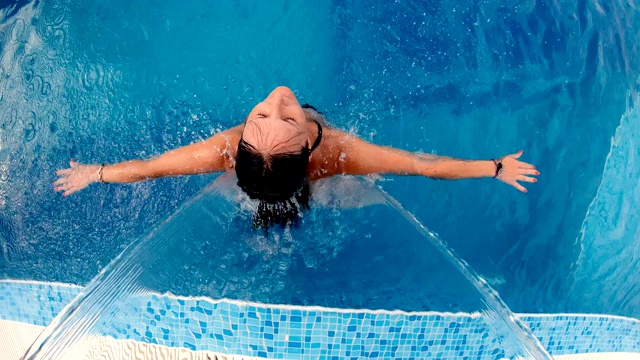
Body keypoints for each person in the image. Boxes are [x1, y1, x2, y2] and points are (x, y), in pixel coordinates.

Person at [54, 86, 539, 228]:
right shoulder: (340, 153)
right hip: (295, 182)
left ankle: (270, 214)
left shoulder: (228, 147)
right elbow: (420, 165)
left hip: (266, 181)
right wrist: (493, 167)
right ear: (309, 146)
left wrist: (95, 173)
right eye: (274, 116)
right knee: (361, 197)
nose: (278, 98)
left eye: (267, 115)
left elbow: (150, 169)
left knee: (272, 202)